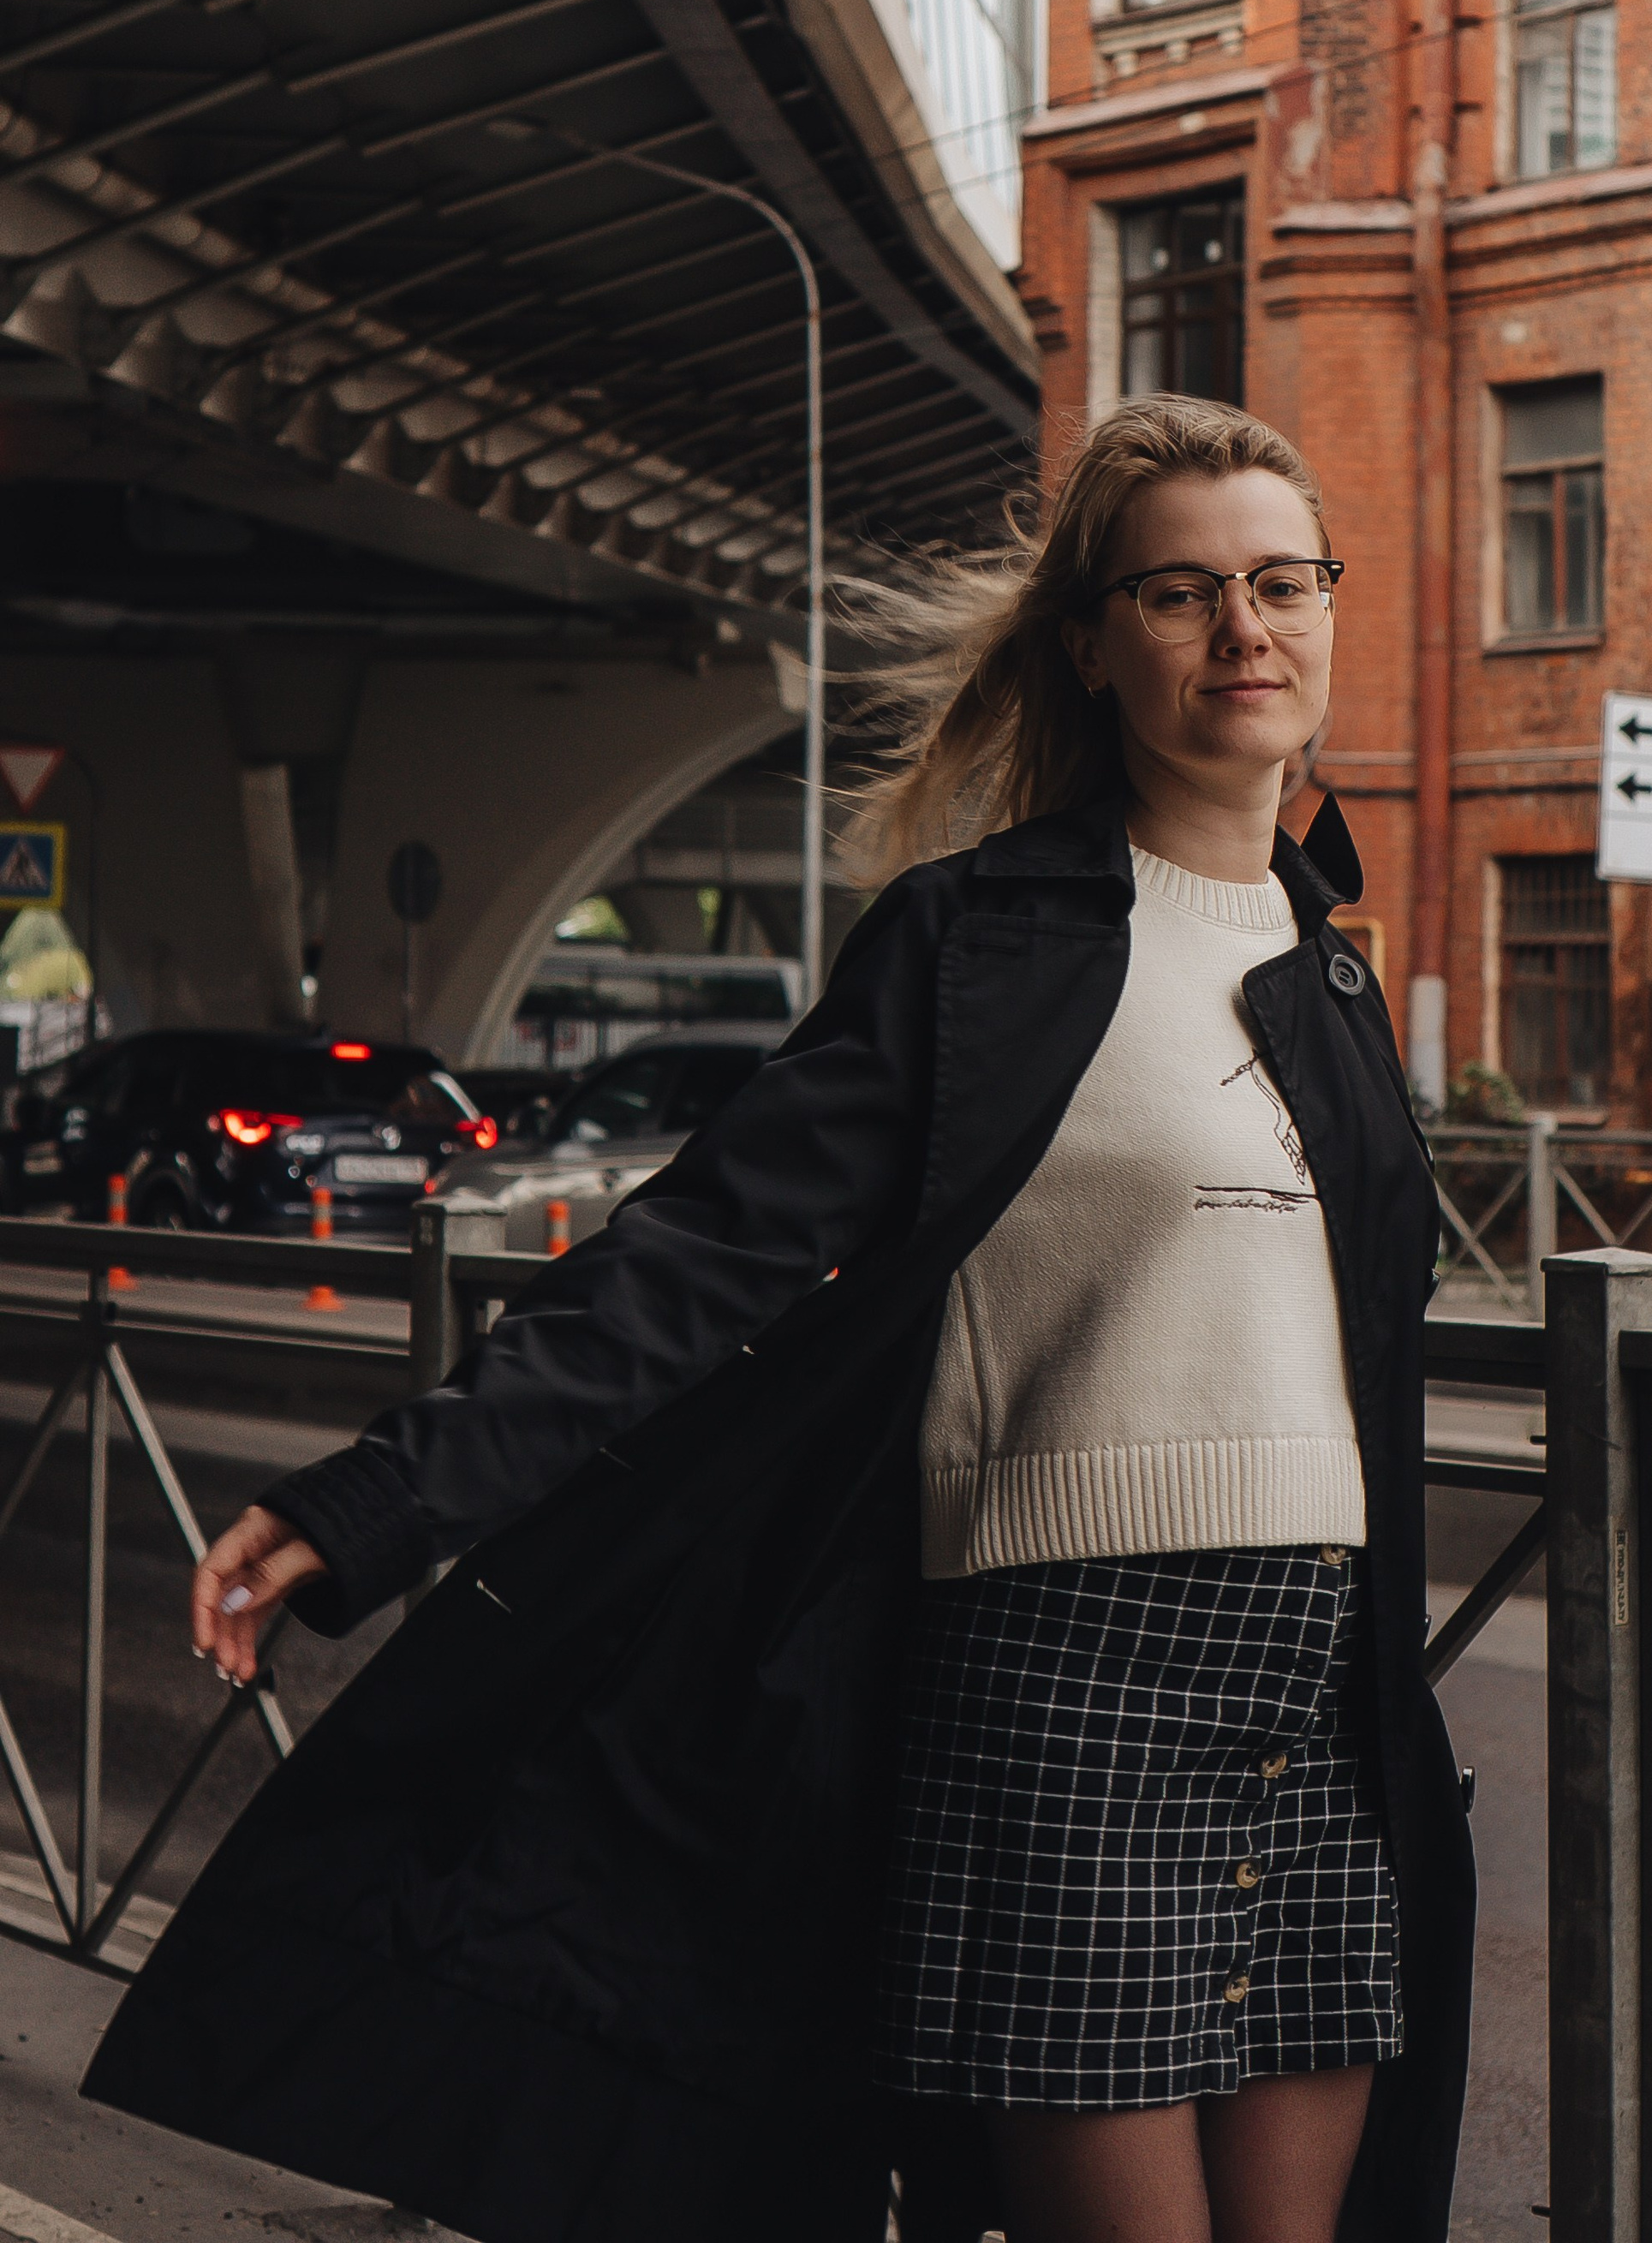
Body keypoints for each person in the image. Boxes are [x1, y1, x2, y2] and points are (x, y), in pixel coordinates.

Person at [85, 396, 1474, 2243]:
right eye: (1179, 592)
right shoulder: (976, 941)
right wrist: (376, 1501)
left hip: (1317, 1682)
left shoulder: (1331, 969)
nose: (1243, 629)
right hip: (1062, 1674)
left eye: (1280, 581)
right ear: (1094, 644)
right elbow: (700, 1254)